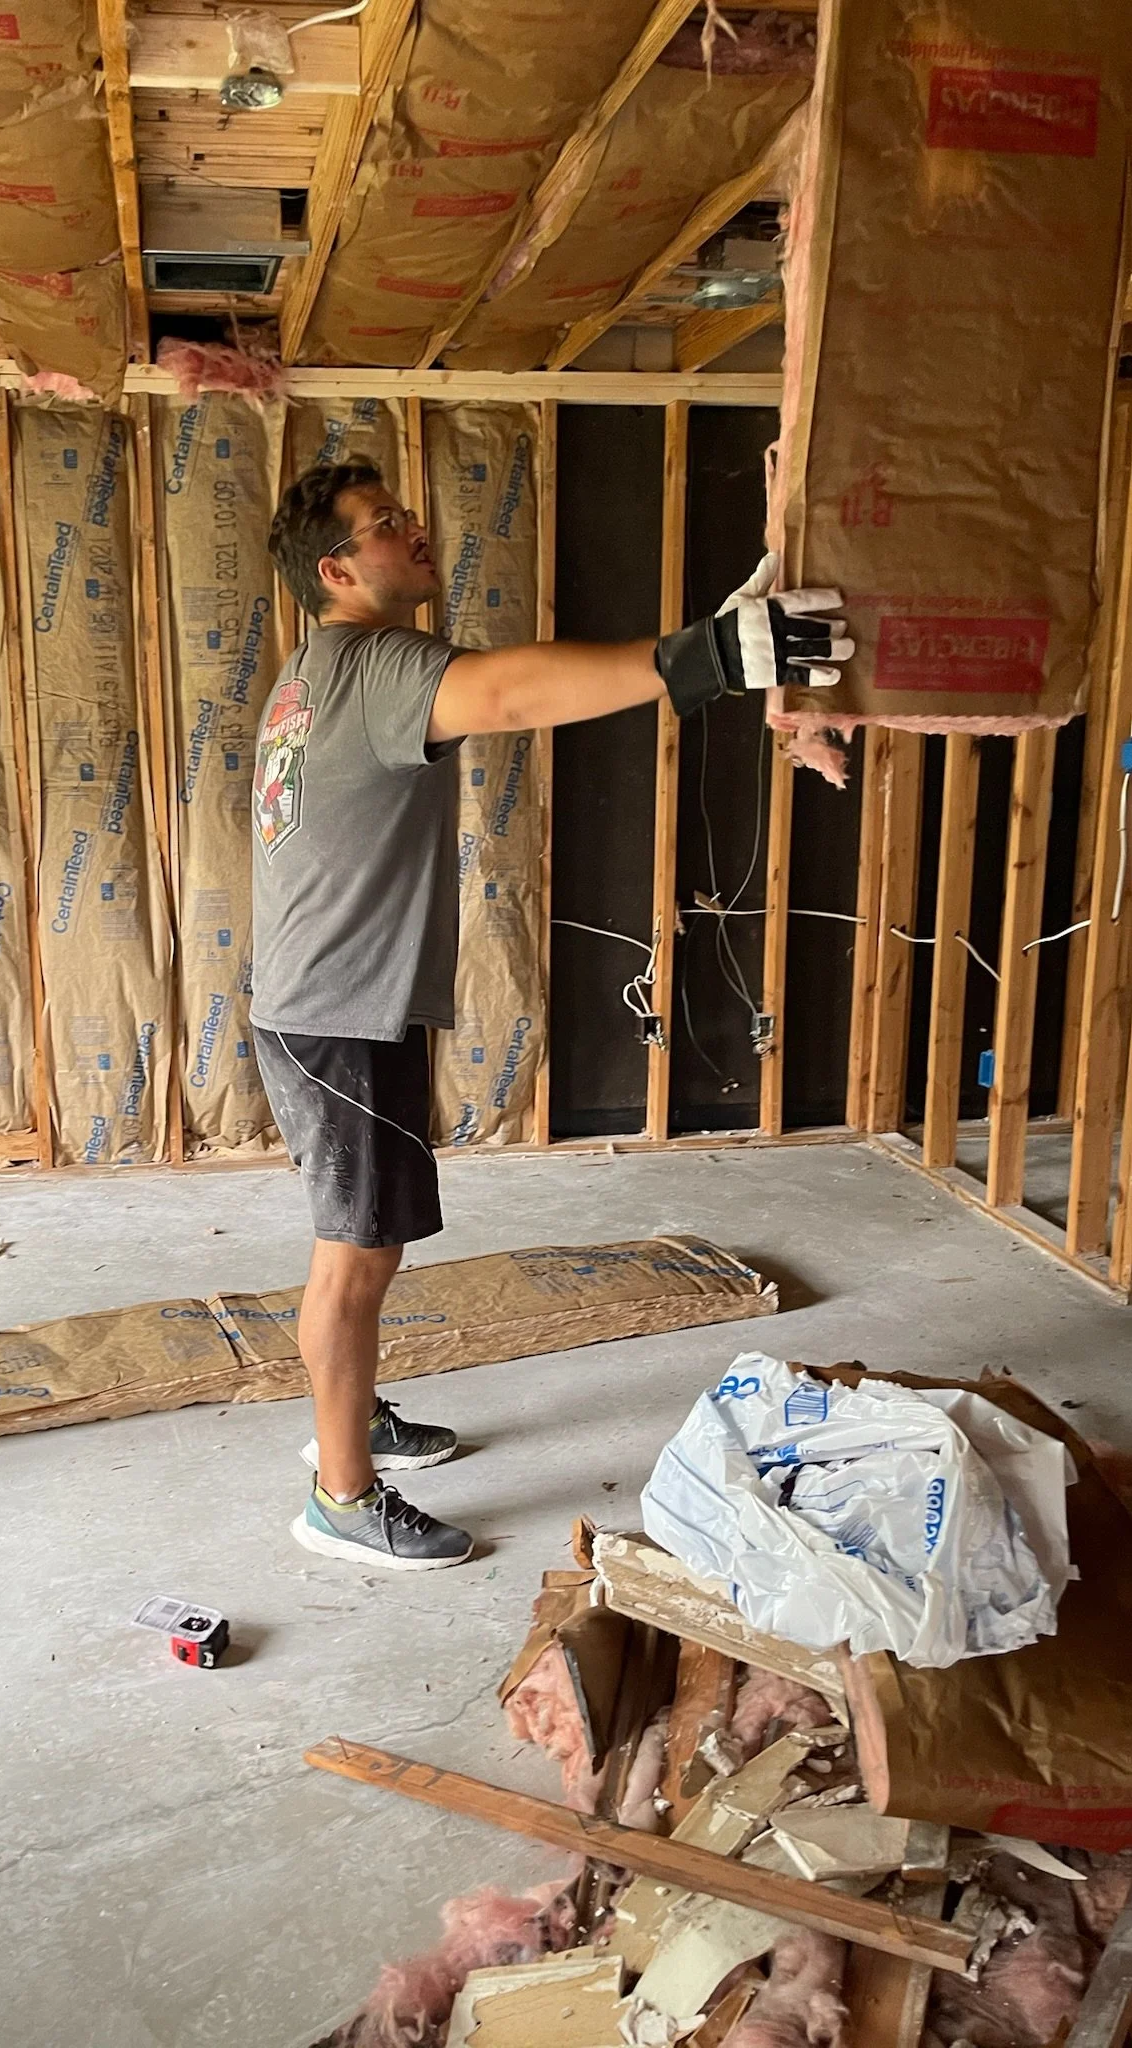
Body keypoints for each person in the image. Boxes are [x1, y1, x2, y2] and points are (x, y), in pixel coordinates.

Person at [250, 460, 851, 1571]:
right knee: (356, 1256)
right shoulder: (380, 664)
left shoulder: (319, 669)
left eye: (407, 514)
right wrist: (706, 657)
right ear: (337, 569)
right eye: (387, 525)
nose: (414, 530)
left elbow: (500, 689)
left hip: (329, 1004)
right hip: (337, 1012)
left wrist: (714, 643)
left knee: (364, 1248)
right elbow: (515, 694)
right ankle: (340, 1493)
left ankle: (357, 1415)